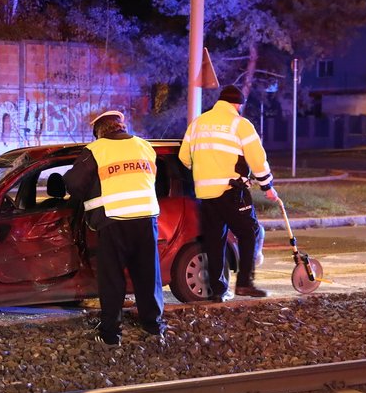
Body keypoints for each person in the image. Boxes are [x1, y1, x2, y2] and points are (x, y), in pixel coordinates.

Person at [64, 110, 165, 347]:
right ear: (122, 126)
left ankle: (111, 334)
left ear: (98, 131)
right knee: (149, 277)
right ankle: (154, 328)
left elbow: (74, 183)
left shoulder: (97, 150)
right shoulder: (144, 146)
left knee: (112, 280)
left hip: (114, 221)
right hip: (146, 219)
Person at [179, 85, 278, 301]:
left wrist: (204, 170)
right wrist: (267, 186)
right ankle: (244, 283)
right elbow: (257, 159)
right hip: (232, 191)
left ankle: (217, 290)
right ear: (238, 105)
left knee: (214, 241)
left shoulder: (198, 123)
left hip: (205, 194)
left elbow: (184, 157)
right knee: (249, 232)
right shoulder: (240, 124)